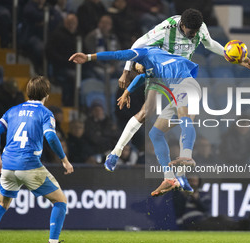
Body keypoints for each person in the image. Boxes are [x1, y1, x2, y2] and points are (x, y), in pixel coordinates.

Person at [103, 9, 250, 174]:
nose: (193, 35)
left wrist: (236, 59)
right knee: (146, 112)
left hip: (181, 76)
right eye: (191, 32)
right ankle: (115, 153)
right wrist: (126, 70)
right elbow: (138, 43)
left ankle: (183, 166)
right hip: (161, 71)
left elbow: (210, 44)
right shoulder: (166, 28)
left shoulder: (200, 28)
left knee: (188, 116)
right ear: (182, 25)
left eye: (196, 31)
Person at [69, 46, 199, 196]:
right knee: (155, 134)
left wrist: (89, 56)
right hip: (177, 92)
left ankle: (184, 166)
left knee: (185, 118)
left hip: (187, 85)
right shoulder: (152, 69)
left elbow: (117, 54)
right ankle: (170, 178)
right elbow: (141, 77)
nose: (136, 70)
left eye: (135, 67)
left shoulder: (146, 52)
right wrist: (127, 92)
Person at [0, 76, 74, 243]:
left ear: (27, 92)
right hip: (29, 164)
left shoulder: (13, 110)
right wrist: (64, 160)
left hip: (8, 165)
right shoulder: (45, 113)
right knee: (60, 201)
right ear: (46, 94)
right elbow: (51, 137)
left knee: (2, 204)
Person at [46, 13, 79, 106]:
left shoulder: (78, 37)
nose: (72, 25)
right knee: (72, 77)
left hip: (78, 67)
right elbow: (49, 52)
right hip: (61, 67)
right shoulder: (57, 35)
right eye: (70, 22)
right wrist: (66, 61)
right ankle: (70, 104)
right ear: (65, 22)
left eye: (74, 23)